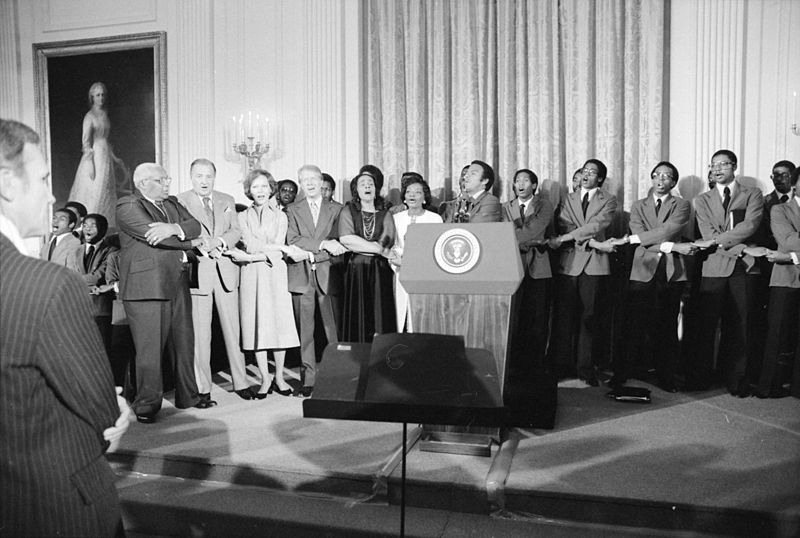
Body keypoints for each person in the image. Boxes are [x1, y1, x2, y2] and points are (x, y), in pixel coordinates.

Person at [1, 118, 129, 536]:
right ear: (6, 183)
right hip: (49, 505)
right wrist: (117, 411)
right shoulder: (45, 285)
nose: (53, 195)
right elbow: (102, 412)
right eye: (41, 179)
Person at [116, 162, 208, 423]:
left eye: (167, 179)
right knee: (149, 350)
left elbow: (196, 224)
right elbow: (155, 237)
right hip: (146, 286)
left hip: (177, 280)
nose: (167, 183)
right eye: (161, 180)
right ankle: (147, 404)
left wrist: (175, 228)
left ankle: (188, 395)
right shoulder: (128, 205)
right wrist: (189, 241)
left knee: (184, 343)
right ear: (143, 183)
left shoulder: (173, 203)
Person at [606, 162, 695, 392]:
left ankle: (666, 377)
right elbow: (639, 232)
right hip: (642, 269)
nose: (660, 180)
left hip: (671, 272)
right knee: (632, 325)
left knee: (667, 326)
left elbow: (668, 230)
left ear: (673, 182)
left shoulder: (682, 205)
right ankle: (621, 374)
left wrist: (635, 241)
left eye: (666, 177)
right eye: (656, 175)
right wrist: (672, 247)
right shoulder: (638, 205)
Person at [689, 149, 765, 396]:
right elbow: (707, 234)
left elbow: (750, 225)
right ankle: (700, 379)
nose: (717, 169)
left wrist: (723, 241)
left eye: (723, 164)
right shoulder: (702, 200)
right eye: (713, 165)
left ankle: (737, 381)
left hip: (743, 269)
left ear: (734, 166)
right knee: (706, 326)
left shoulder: (752, 194)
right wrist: (742, 247)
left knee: (740, 326)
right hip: (714, 267)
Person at [177, 158, 253, 403]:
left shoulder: (227, 200)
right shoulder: (180, 201)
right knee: (200, 336)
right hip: (200, 274)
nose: (204, 181)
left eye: (208, 176)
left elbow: (236, 231)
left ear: (214, 177)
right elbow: (180, 236)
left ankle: (241, 383)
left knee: (234, 332)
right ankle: (203, 389)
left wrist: (219, 242)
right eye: (199, 176)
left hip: (227, 273)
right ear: (191, 177)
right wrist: (202, 246)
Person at [226, 169, 300, 398]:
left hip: (275, 274)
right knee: (256, 325)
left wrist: (254, 255)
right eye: (255, 187)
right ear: (249, 190)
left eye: (264, 186)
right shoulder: (242, 216)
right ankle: (265, 379)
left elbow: (276, 248)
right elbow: (250, 245)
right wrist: (268, 251)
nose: (260, 191)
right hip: (251, 275)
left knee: (278, 326)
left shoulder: (281, 215)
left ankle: (279, 376)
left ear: (271, 189)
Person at [548, 159, 618, 385]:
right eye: (584, 171)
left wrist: (566, 238)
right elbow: (564, 223)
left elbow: (596, 226)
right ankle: (561, 366)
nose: (586, 175)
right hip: (569, 262)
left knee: (589, 318)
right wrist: (578, 238)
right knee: (564, 317)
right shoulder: (568, 198)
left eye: (592, 172)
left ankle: (585, 369)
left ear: (600, 178)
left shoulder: (608, 200)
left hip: (595, 265)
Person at [286, 164, 347, 398]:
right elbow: (293, 239)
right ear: (300, 183)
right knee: (305, 333)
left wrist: (310, 253)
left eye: (314, 178)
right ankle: (308, 380)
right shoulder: (292, 209)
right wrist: (321, 246)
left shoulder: (338, 209)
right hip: (301, 276)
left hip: (329, 276)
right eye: (305, 179)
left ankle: (338, 379)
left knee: (334, 332)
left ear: (321, 181)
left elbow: (340, 244)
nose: (310, 183)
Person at [502, 169, 554, 378]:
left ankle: (535, 366)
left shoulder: (544, 205)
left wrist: (520, 239)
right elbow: (502, 232)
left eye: (525, 180)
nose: (520, 184)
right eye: (517, 181)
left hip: (538, 268)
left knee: (537, 318)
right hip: (513, 267)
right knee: (514, 317)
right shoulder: (506, 207)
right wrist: (532, 242)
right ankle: (514, 364)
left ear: (534, 185)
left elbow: (535, 228)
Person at [757, 166, 800, 398]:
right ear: (795, 184)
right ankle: (769, 386)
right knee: (777, 334)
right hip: (785, 279)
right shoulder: (779, 209)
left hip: (789, 264)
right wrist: (792, 253)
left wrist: (792, 257)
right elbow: (788, 239)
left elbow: (793, 248)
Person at [68, 82, 130, 228]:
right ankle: (89, 223)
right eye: (97, 95)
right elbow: (85, 142)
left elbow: (106, 141)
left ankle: (103, 224)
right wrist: (90, 163)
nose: (100, 98)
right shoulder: (89, 116)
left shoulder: (104, 114)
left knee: (105, 188)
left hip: (105, 155)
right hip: (94, 156)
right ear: (92, 97)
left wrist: (115, 158)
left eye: (102, 95)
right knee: (94, 189)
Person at [389, 174, 443, 332]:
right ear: (404, 197)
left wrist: (414, 262)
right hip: (400, 269)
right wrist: (399, 260)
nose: (412, 195)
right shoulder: (395, 218)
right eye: (408, 192)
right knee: (399, 312)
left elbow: (437, 248)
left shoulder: (435, 219)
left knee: (420, 315)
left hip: (424, 272)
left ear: (425, 198)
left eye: (417, 192)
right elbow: (391, 245)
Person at [65, 212, 116, 352]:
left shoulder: (111, 251)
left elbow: (98, 275)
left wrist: (74, 282)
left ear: (103, 229)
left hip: (101, 309)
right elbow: (69, 272)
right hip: (78, 309)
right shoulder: (75, 251)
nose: (88, 229)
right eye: (85, 225)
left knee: (102, 351)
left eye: (93, 226)